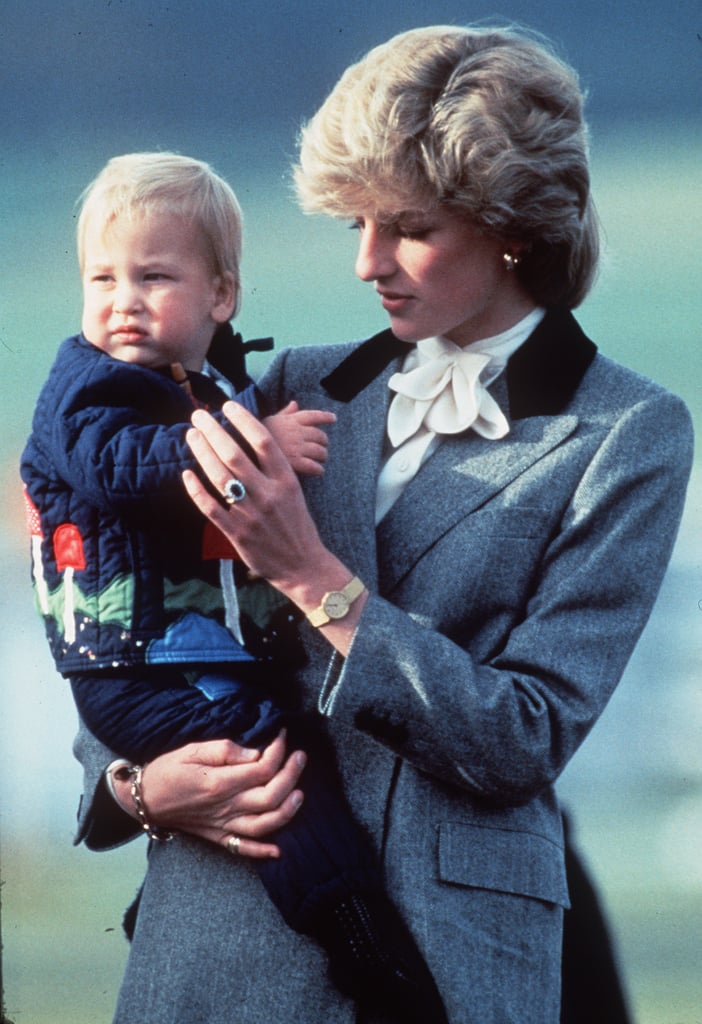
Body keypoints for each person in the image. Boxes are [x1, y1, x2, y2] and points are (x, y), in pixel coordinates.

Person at [70, 25, 693, 1024]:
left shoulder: (630, 432)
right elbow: (127, 612)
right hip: (214, 941)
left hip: (449, 960)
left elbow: (526, 735)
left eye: (406, 226)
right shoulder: (285, 385)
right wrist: (138, 784)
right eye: (355, 221)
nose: (367, 262)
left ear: (513, 227)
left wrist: (315, 575)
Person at [21, 151, 448, 1023]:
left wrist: (236, 413)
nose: (122, 300)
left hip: (184, 651)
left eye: (153, 276)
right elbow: (121, 466)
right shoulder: (88, 386)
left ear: (221, 296)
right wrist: (252, 441)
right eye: (101, 278)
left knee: (284, 750)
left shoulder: (205, 382)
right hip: (136, 665)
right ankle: (354, 928)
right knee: (272, 767)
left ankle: (337, 908)